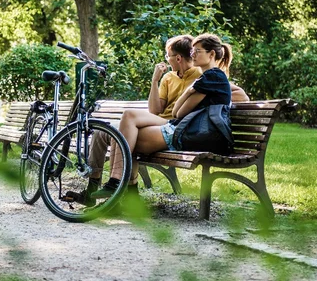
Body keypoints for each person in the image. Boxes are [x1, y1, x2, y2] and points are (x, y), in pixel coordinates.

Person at [67, 35, 248, 204]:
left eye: (168, 56)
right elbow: (156, 110)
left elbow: (184, 111)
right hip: (170, 124)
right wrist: (156, 81)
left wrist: (206, 96)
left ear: (210, 54)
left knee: (125, 128)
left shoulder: (205, 76)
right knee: (107, 132)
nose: (193, 55)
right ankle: (106, 191)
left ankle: (117, 186)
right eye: (193, 52)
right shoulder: (172, 77)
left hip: (178, 127)